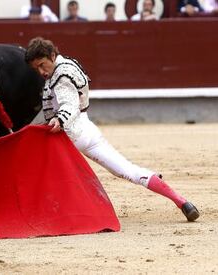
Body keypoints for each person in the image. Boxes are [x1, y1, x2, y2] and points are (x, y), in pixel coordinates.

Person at [24, 37, 200, 222]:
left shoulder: (61, 77)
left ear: (52, 55)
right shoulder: (67, 65)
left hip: (69, 135)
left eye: (43, 65)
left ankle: (44, 214)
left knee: (36, 170)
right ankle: (182, 202)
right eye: (37, 68)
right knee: (127, 170)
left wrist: (60, 119)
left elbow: (69, 104)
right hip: (88, 131)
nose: (41, 71)